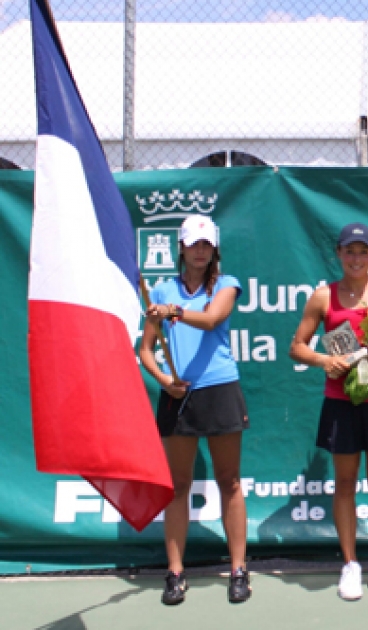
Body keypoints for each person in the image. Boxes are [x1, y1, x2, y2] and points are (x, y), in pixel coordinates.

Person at [289, 222, 368, 601]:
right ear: (338, 255)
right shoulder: (323, 297)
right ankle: (349, 564)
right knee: (344, 483)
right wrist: (324, 360)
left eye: (363, 251)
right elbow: (297, 347)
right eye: (349, 251)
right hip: (341, 402)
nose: (356, 258)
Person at [139, 215, 251, 605]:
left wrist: (172, 312)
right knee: (178, 488)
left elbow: (213, 318)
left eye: (206, 244)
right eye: (193, 243)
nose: (200, 250)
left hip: (219, 389)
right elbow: (145, 350)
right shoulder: (161, 289)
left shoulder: (226, 284)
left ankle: (238, 570)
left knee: (229, 482)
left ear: (214, 249)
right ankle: (174, 573)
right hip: (177, 395)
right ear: (182, 248)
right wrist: (163, 380)